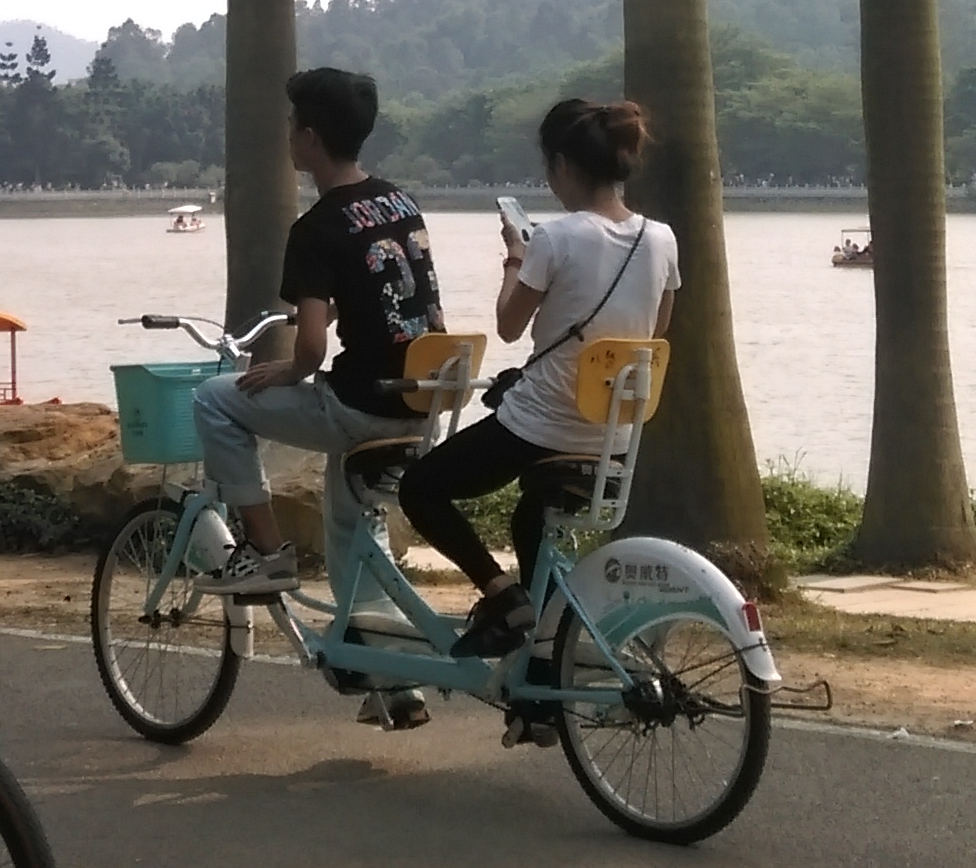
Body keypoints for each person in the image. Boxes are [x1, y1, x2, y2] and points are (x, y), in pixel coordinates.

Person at [399, 99, 681, 688]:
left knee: (420, 489)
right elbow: (655, 331)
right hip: (613, 434)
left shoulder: (555, 238)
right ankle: (543, 672)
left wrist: (515, 254)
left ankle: (502, 599)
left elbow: (507, 324)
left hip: (541, 427)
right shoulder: (661, 239)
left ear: (560, 166)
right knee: (533, 514)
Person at [187, 68, 440, 602]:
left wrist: (290, 369)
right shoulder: (400, 202)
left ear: (309, 138)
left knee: (214, 399)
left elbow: (311, 350)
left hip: (359, 407)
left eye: (291, 125)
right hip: (423, 401)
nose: (287, 135)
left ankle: (266, 552)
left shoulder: (317, 227)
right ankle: (382, 665)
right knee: (347, 528)